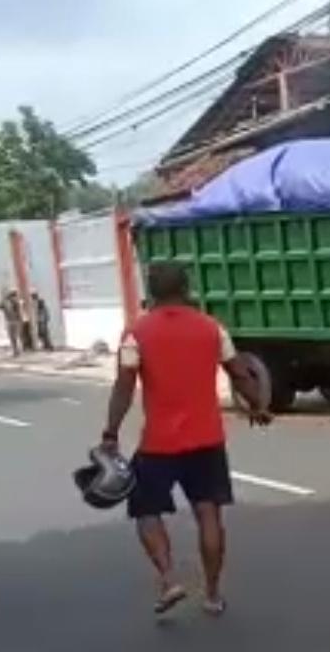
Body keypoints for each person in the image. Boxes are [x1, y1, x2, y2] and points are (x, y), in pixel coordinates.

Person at [100, 263, 271, 617]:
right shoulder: (212, 328)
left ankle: (168, 578)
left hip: (158, 445)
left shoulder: (136, 333)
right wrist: (258, 404)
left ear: (152, 290)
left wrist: (110, 433)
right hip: (207, 440)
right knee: (209, 514)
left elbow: (124, 386)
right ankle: (212, 593)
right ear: (186, 287)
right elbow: (239, 372)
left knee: (146, 511)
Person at [0, 289, 22, 357]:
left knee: (13, 337)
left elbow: (0, 306)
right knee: (14, 337)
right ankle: (16, 350)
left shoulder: (11, 302)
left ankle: (16, 351)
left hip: (11, 321)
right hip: (14, 321)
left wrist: (4, 299)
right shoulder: (13, 302)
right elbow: (0, 306)